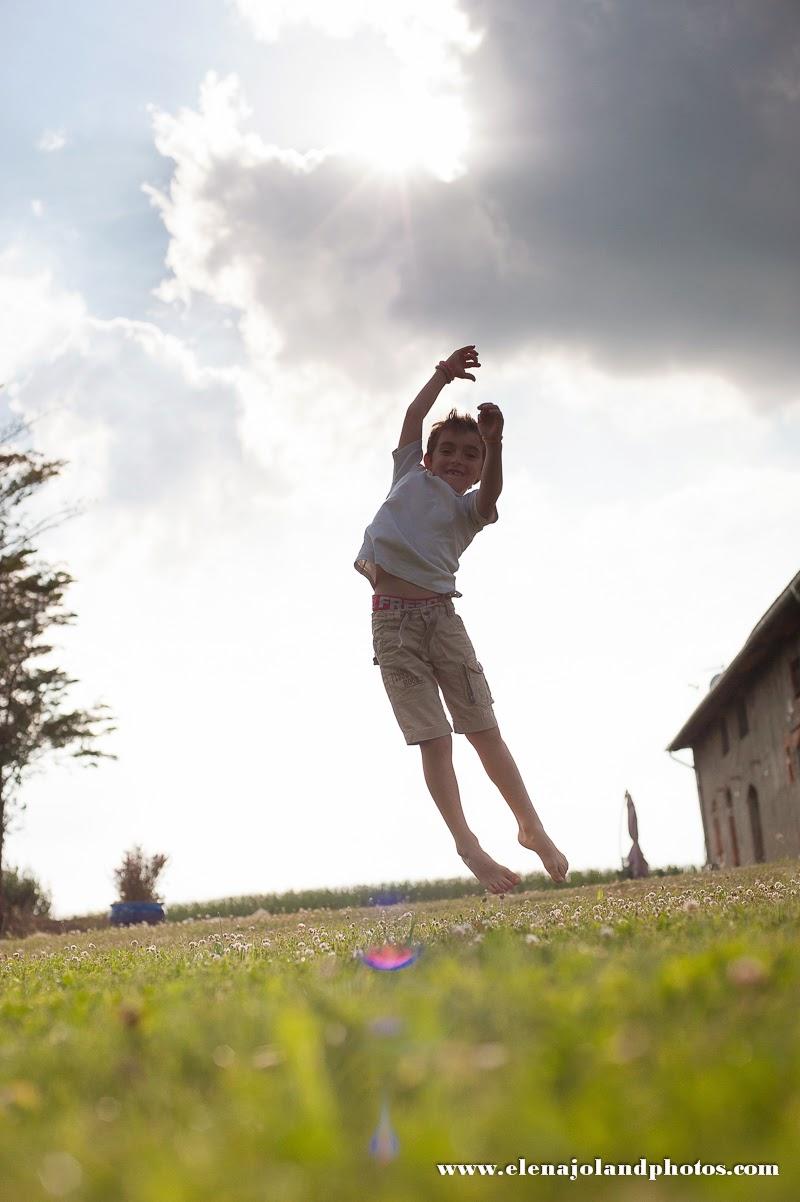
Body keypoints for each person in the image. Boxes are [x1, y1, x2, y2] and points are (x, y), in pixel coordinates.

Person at [355, 345, 568, 894]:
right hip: (394, 625)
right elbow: (412, 418)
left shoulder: (470, 508)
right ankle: (466, 842)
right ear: (426, 457)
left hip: (443, 621)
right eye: (446, 450)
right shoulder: (408, 473)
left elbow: (493, 489)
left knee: (483, 728)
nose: (456, 458)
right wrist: (444, 376)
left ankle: (529, 823)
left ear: (476, 466)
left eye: (468, 455)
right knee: (435, 738)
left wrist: (495, 444)